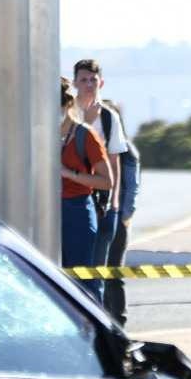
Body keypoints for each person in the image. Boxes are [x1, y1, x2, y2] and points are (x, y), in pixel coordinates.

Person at [73, 59, 129, 303]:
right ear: (74, 82)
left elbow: (114, 161)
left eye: (93, 80)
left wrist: (114, 202)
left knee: (96, 275)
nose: (88, 84)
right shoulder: (65, 113)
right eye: (83, 80)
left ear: (101, 82)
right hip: (72, 199)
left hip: (102, 202)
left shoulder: (109, 118)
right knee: (73, 270)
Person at [59, 77, 113, 300]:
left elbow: (107, 180)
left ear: (67, 104)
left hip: (77, 212)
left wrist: (69, 174)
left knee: (82, 283)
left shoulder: (85, 135)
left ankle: (93, 331)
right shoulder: (40, 135)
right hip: (48, 212)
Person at [101, 100, 141, 326]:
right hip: (100, 216)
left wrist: (125, 216)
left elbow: (132, 187)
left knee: (113, 274)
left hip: (119, 219)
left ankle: (119, 321)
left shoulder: (126, 150)